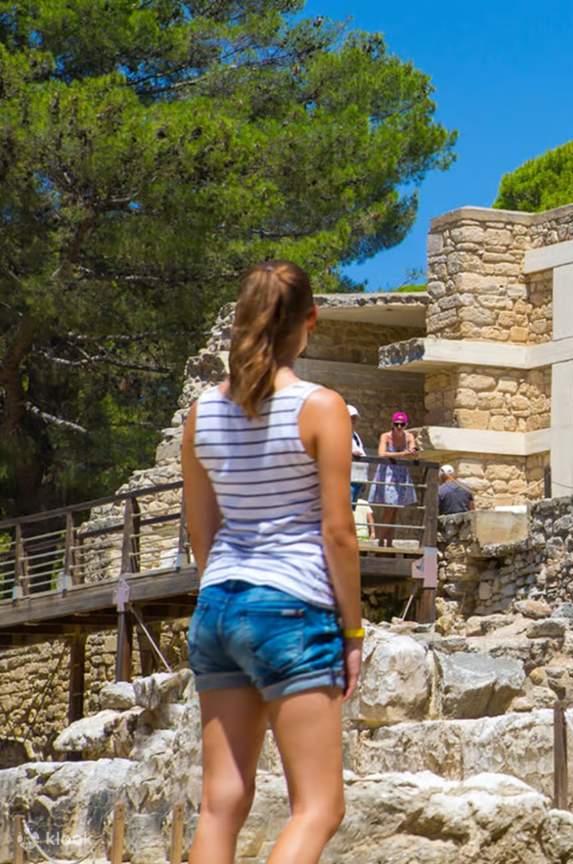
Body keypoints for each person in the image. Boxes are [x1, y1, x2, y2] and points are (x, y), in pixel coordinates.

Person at [180, 260, 361, 864]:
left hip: (219, 602)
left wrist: (227, 594)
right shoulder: (322, 407)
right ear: (309, 319)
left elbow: (201, 529)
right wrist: (353, 631)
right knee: (317, 807)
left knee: (220, 804)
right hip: (290, 605)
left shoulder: (201, 414)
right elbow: (338, 533)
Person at [369, 411, 418, 547]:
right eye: (396, 424)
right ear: (392, 424)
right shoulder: (385, 436)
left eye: (402, 424)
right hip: (388, 473)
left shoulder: (409, 436)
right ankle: (381, 541)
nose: (399, 427)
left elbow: (412, 450)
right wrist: (402, 453)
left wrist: (412, 452)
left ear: (406, 425)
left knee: (395, 509)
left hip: (401, 474)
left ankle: (388, 541)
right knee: (389, 508)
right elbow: (381, 453)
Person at [348, 404, 367, 506]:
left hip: (357, 478)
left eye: (355, 418)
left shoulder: (355, 435)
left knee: (350, 510)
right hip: (347, 479)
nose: (353, 420)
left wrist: (364, 480)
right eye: (351, 418)